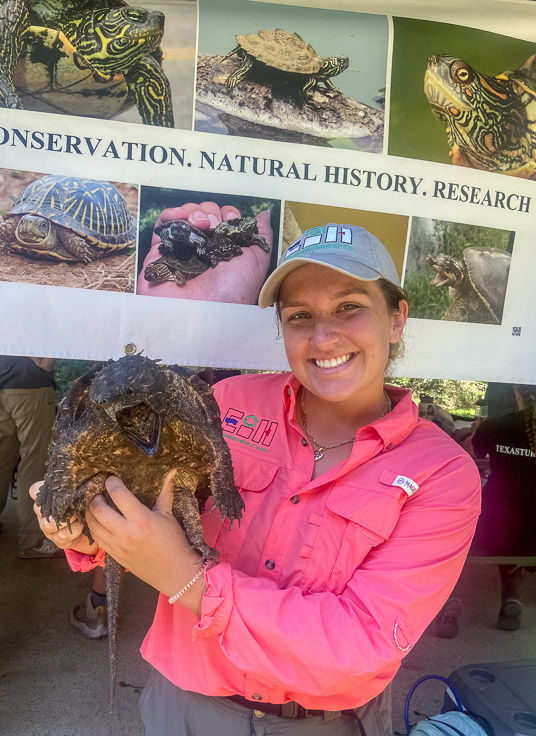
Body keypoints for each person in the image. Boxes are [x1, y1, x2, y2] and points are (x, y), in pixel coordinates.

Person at [31, 222, 481, 736]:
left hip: (324, 724)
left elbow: (361, 641)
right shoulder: (227, 405)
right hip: (182, 706)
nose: (323, 336)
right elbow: (147, 512)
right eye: (299, 317)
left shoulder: (440, 473)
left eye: (349, 307)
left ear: (396, 318)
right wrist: (86, 531)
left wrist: (186, 577)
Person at [435, 384, 536, 637]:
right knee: (520, 524)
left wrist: (478, 433)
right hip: (532, 539)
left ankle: (450, 598)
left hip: (497, 532)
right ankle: (511, 597)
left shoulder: (496, 427)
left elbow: (467, 459)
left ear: (516, 394)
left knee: (452, 531)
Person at [0, 355, 62, 558]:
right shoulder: (39, 321)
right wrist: (47, 362)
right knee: (34, 460)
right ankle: (33, 540)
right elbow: (44, 357)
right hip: (31, 386)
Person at [136, 202, 273, 305]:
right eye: (151, 272)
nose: (149, 276)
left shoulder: (194, 237)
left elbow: (200, 241)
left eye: (152, 272)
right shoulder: (167, 236)